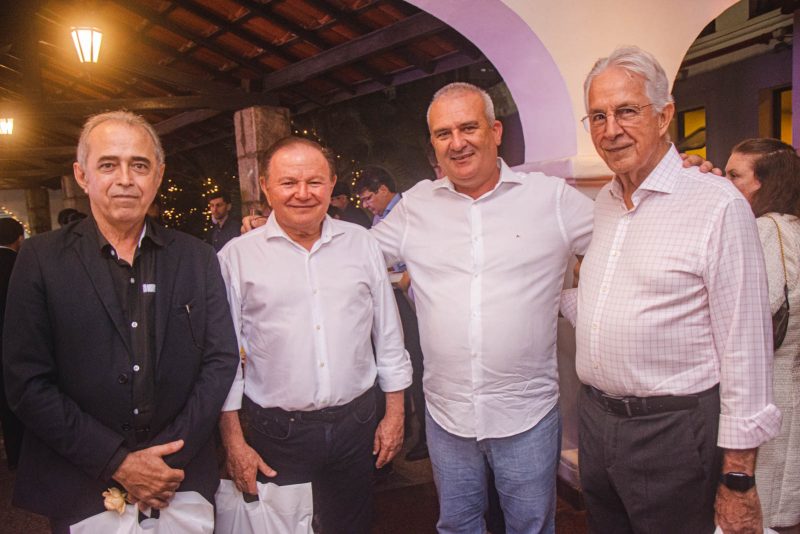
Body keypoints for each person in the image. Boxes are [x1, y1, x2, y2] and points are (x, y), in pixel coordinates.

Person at [570, 46, 781, 534]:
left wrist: (739, 480)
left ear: (664, 115)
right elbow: (612, 302)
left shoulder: (715, 204)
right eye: (598, 116)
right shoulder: (605, 201)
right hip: (598, 423)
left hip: (672, 431)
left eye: (626, 111)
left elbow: (746, 351)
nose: (610, 129)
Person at [368, 82, 595, 533]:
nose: (457, 143)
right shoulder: (414, 207)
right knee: (456, 525)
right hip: (447, 414)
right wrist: (297, 231)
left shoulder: (551, 200)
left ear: (495, 131)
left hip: (526, 413)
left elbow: (623, 245)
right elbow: (355, 260)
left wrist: (686, 183)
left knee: (530, 526)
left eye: (468, 127)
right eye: (443, 133)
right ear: (432, 143)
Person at [2, 111, 239, 532]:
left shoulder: (196, 258)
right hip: (83, 481)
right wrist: (118, 461)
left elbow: (220, 360)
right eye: (108, 164)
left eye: (140, 165)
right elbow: (26, 380)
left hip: (178, 479)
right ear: (82, 174)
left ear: (159, 175)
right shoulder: (40, 259)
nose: (126, 178)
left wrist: (163, 460)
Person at [217, 136, 412, 534]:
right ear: (266, 187)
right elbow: (222, 361)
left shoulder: (361, 244)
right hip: (277, 434)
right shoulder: (236, 258)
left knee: (351, 526)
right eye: (289, 183)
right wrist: (234, 443)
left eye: (315, 182)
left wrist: (394, 414)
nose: (303, 194)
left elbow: (389, 335)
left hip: (356, 426)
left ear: (332, 184)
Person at [725, 138, 800, 534]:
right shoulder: (794, 225)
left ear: (764, 182)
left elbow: (756, 306)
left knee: (764, 496)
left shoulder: (765, 229)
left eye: (735, 174)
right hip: (792, 375)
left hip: (770, 379)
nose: (725, 181)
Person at [356, 166, 428, 462]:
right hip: (392, 299)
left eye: (368, 197)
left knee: (420, 366)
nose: (365, 205)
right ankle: (409, 429)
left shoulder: (412, 209)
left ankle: (424, 435)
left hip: (416, 304)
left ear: (384, 189)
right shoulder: (377, 221)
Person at [0, 218, 24, 470]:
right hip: (15, 343)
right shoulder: (21, 265)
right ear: (19, 237)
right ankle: (21, 457)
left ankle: (12, 455)